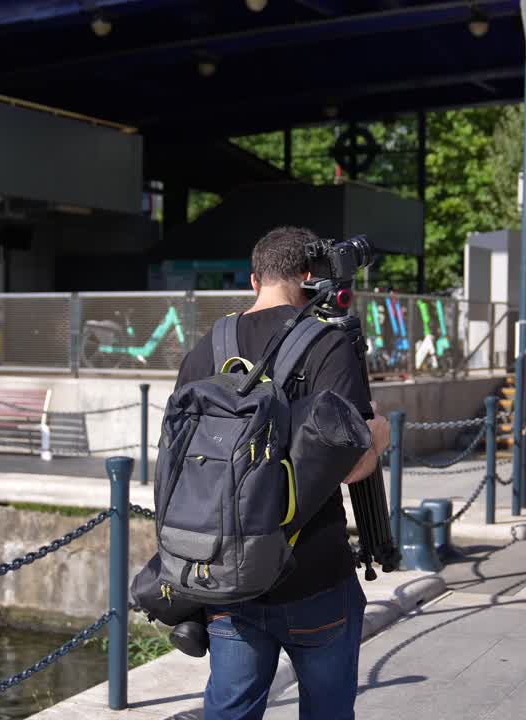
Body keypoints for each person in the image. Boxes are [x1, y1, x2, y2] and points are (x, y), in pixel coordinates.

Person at [174, 226, 391, 720]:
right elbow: (356, 465)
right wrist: (380, 434)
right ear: (310, 277)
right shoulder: (328, 344)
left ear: (255, 279)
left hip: (225, 572)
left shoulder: (209, 345)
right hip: (312, 571)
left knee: (230, 712)